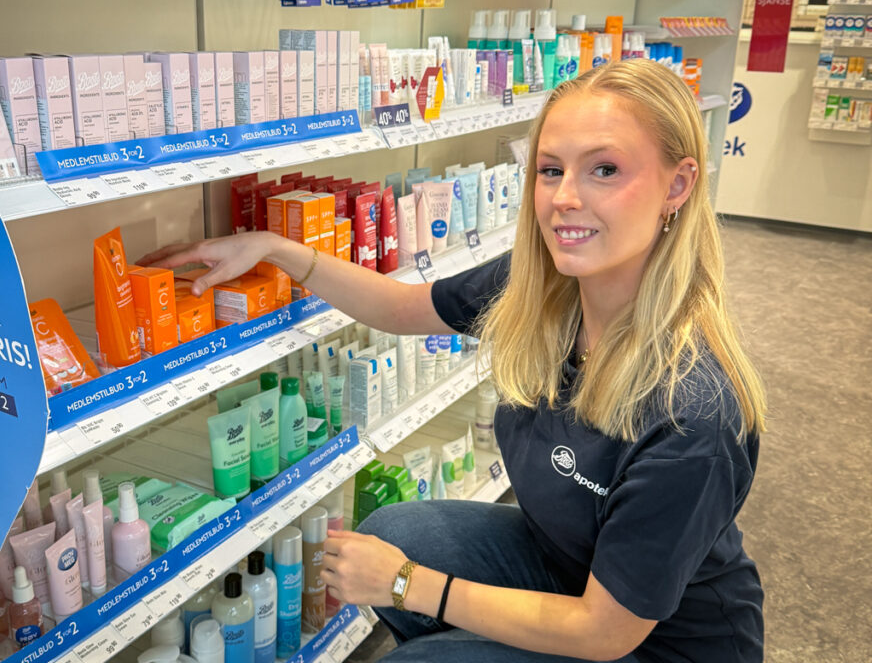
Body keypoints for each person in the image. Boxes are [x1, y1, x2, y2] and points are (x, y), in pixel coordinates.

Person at [140, 58, 766, 662]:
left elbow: (604, 632)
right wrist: (276, 249)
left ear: (677, 186)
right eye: (550, 170)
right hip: (569, 567)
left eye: (605, 169)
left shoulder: (693, 417)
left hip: (658, 643)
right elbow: (400, 308)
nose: (565, 198)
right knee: (396, 533)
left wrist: (407, 585)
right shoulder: (542, 285)